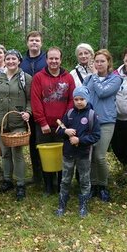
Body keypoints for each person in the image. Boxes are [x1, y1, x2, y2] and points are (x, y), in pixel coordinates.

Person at [0, 50, 32, 200]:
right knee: (5, 153)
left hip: (18, 121)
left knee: (17, 153)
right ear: (4, 61)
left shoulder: (25, 78)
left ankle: (20, 183)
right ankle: (7, 180)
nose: (11, 61)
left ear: (19, 61)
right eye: (8, 59)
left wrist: (28, 112)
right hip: (1, 121)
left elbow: (31, 99)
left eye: (14, 59)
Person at [30, 46, 75, 194]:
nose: (54, 61)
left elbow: (71, 100)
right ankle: (48, 186)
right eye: (51, 58)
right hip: (43, 125)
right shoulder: (38, 77)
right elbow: (35, 100)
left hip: (62, 125)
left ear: (61, 60)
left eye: (56, 58)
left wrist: (64, 123)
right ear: (46, 59)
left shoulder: (68, 77)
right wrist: (42, 122)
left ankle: (61, 184)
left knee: (62, 154)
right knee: (45, 155)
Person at [55, 86, 101, 217]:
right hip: (68, 154)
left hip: (84, 154)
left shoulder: (92, 115)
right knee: (65, 179)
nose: (79, 102)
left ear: (87, 99)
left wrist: (79, 140)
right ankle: (62, 205)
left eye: (82, 99)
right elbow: (58, 131)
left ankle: (83, 206)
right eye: (76, 99)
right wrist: (66, 131)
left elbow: (96, 136)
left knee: (84, 180)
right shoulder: (69, 114)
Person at [83, 49, 122, 202]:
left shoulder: (115, 79)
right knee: (90, 156)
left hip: (106, 121)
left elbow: (102, 92)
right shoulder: (89, 79)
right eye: (96, 61)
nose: (98, 64)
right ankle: (93, 185)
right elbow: (83, 94)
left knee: (100, 156)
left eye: (102, 61)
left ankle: (103, 185)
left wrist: (93, 76)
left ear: (108, 63)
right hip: (89, 120)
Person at [21, 31, 48, 186]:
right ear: (27, 43)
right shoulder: (22, 62)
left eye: (37, 40)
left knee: (43, 140)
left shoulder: (46, 60)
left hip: (45, 106)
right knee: (32, 142)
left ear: (41, 43)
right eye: (31, 40)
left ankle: (48, 174)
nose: (34, 43)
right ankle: (36, 175)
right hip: (28, 107)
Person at [111, 46, 127, 166]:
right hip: (115, 118)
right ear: (124, 57)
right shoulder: (114, 74)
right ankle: (123, 164)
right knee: (116, 146)